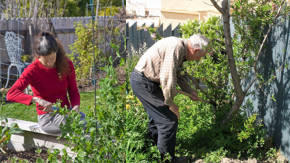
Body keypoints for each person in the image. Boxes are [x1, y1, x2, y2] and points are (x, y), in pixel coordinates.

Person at [130, 34, 210, 161]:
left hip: (146, 81)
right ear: (195, 50)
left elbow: (177, 74)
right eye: (199, 57)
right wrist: (170, 103)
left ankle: (153, 155)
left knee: (158, 119)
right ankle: (167, 160)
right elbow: (167, 78)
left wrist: (190, 91)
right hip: (143, 82)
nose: (197, 60)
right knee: (168, 120)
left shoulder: (180, 49)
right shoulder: (176, 47)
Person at [7, 31, 83, 134]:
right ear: (38, 56)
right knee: (76, 124)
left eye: (52, 58)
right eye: (45, 60)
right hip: (47, 118)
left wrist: (75, 106)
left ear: (56, 52)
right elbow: (11, 94)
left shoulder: (66, 64)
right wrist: (36, 99)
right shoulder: (32, 70)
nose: (49, 63)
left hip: (66, 112)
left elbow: (73, 91)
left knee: (85, 121)